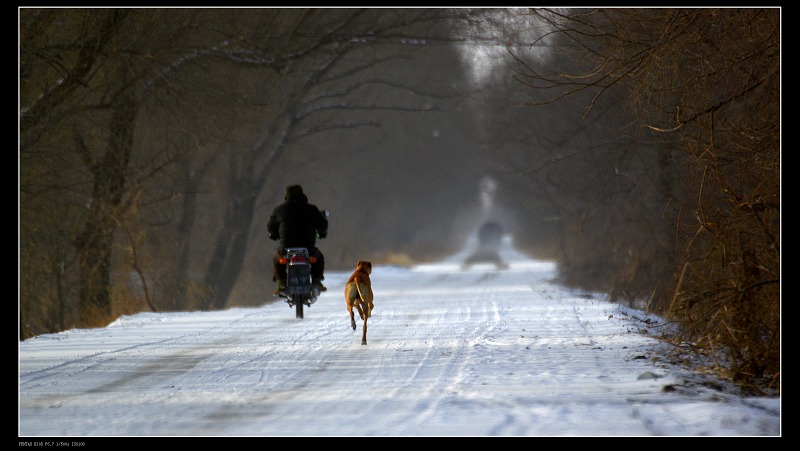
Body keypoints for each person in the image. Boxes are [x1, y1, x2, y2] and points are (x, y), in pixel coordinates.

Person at [267, 185, 328, 294]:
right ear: (302, 195)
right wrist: (322, 233)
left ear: (287, 196)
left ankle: (281, 282)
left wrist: (273, 234)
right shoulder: (311, 209)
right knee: (318, 258)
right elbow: (322, 224)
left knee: (277, 260)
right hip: (308, 249)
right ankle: (316, 281)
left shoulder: (280, 210)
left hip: (286, 248)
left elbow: (271, 226)